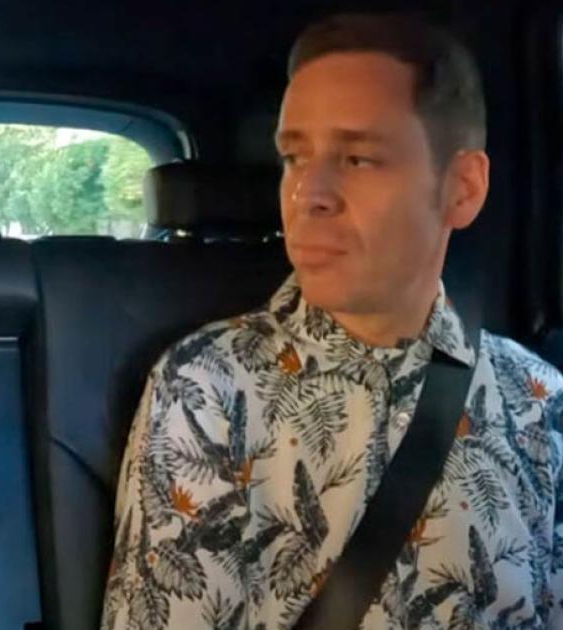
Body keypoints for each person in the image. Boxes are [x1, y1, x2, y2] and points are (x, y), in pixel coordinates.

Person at [102, 13, 563, 629]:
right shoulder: (205, 389)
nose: (307, 194)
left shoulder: (538, 402)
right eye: (294, 157)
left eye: (357, 159)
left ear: (463, 188)